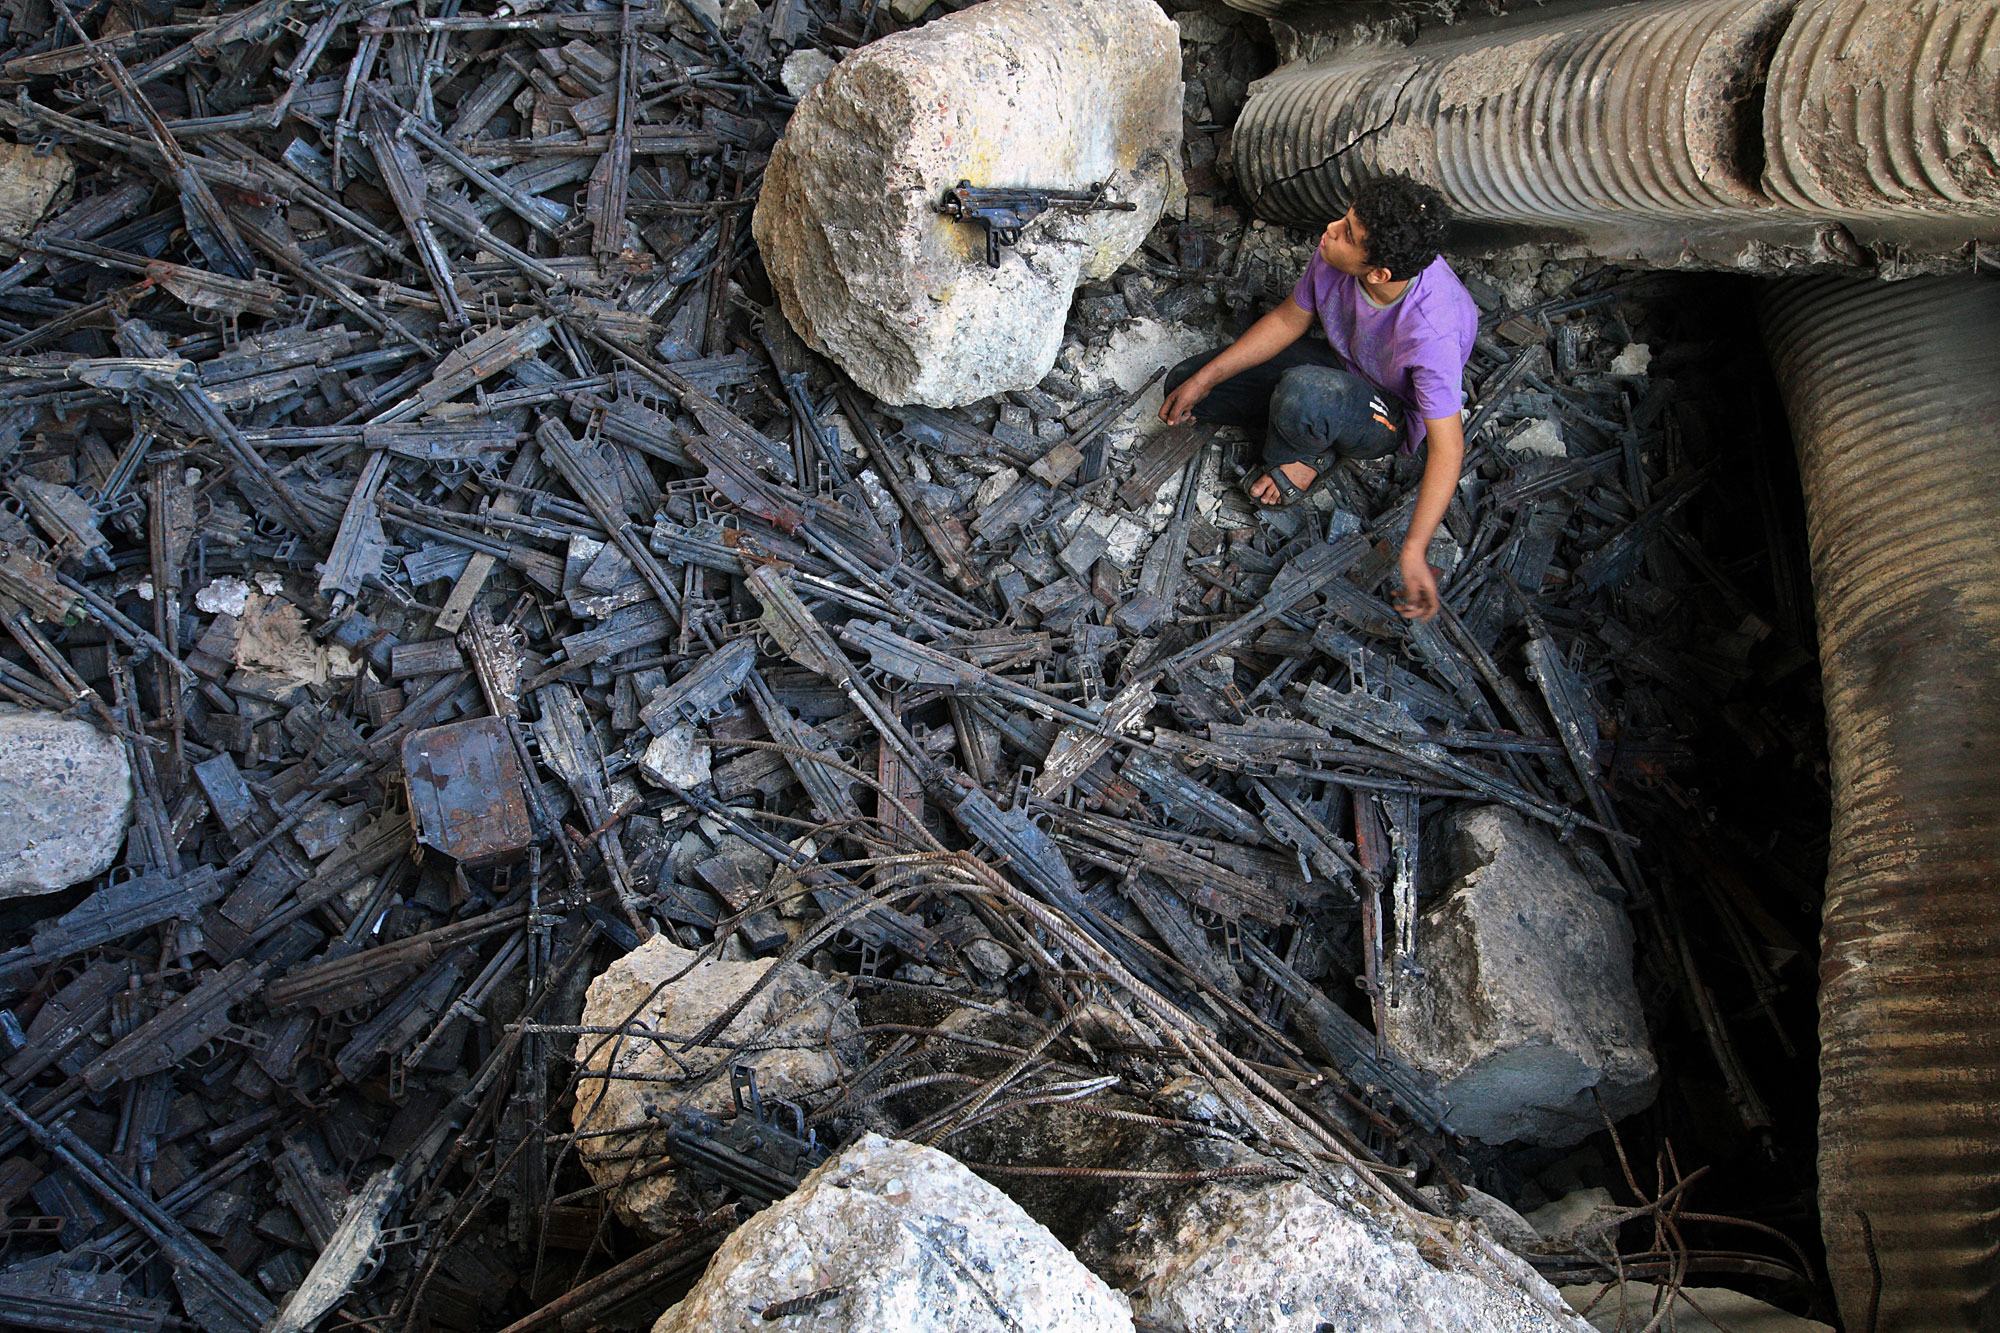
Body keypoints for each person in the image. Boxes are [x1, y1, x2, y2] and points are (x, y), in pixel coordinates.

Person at [1157, 173, 1477, 621]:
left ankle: (1308, 456)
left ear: (1380, 273)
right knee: (1186, 383)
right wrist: (1206, 379)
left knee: (1308, 393)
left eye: (1347, 233)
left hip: (1386, 413)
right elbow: (1289, 320)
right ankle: (1299, 418)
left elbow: (1448, 448)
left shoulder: (1431, 331)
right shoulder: (1336, 255)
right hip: (1336, 364)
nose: (1330, 229)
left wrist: (1414, 548)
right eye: (1344, 218)